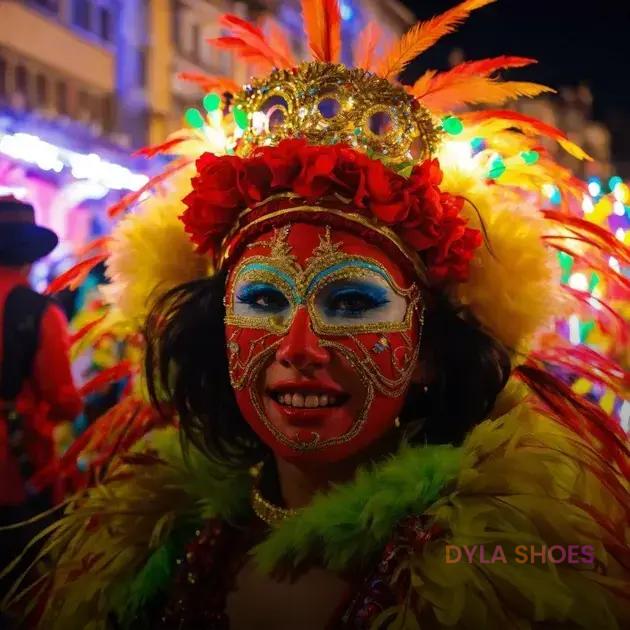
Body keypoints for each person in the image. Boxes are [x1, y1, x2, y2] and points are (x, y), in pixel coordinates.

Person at [7, 1, 628, 627]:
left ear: (429, 352)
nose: (297, 346)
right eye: (263, 300)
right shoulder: (154, 543)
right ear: (218, 332)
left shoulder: (508, 579)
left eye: (353, 302)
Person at [0, 196, 83, 590]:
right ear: (30, 256)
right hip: (16, 473)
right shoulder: (40, 312)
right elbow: (63, 400)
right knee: (21, 588)